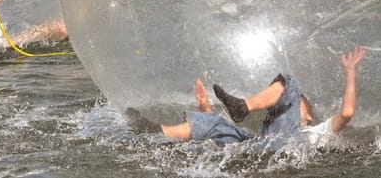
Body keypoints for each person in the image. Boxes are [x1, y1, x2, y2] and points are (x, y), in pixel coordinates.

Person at [125, 47, 366, 149]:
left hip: (287, 147)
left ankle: (243, 106)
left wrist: (350, 72)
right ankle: (156, 131)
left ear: (309, 116)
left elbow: (347, 113)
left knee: (290, 82)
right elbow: (222, 135)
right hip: (262, 147)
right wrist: (205, 106)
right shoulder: (270, 134)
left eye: (297, 104)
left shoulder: (317, 133)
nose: (288, 104)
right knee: (219, 125)